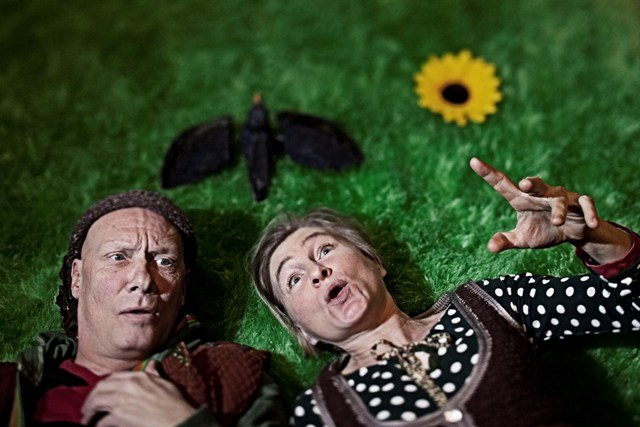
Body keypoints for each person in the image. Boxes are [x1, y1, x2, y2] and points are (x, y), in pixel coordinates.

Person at [250, 157, 640, 427]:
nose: (317, 272)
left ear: (375, 262)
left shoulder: (493, 304)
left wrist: (596, 238)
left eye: (324, 250)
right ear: (302, 332)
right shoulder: (319, 413)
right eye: (294, 279)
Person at [0, 189, 286, 427]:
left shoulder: (231, 375)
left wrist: (183, 422)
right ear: (77, 278)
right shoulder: (6, 385)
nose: (143, 280)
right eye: (118, 257)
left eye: (164, 262)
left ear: (183, 288)